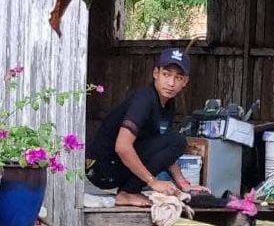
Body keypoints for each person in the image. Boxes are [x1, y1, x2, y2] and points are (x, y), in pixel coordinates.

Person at [86, 47, 207, 207]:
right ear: (155, 73)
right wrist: (153, 182)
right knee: (176, 141)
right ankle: (127, 194)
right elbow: (122, 147)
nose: (171, 83)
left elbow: (165, 149)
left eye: (178, 77)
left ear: (185, 82)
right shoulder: (144, 99)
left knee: (176, 141)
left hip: (113, 167)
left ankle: (129, 191)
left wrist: (184, 184)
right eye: (166, 74)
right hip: (101, 169)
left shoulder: (167, 104)